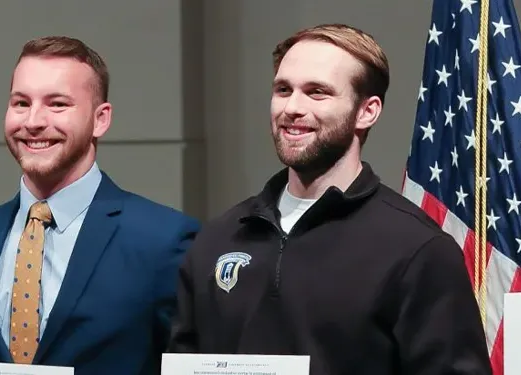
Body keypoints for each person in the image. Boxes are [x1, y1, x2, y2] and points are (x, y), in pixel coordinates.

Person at [166, 24, 491, 374]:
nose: (292, 107)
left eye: (316, 92)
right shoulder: (219, 238)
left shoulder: (418, 249)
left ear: (367, 111)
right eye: (282, 89)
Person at [0, 36, 200, 374]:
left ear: (100, 119)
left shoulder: (163, 240)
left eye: (57, 104)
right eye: (21, 103)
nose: (33, 121)